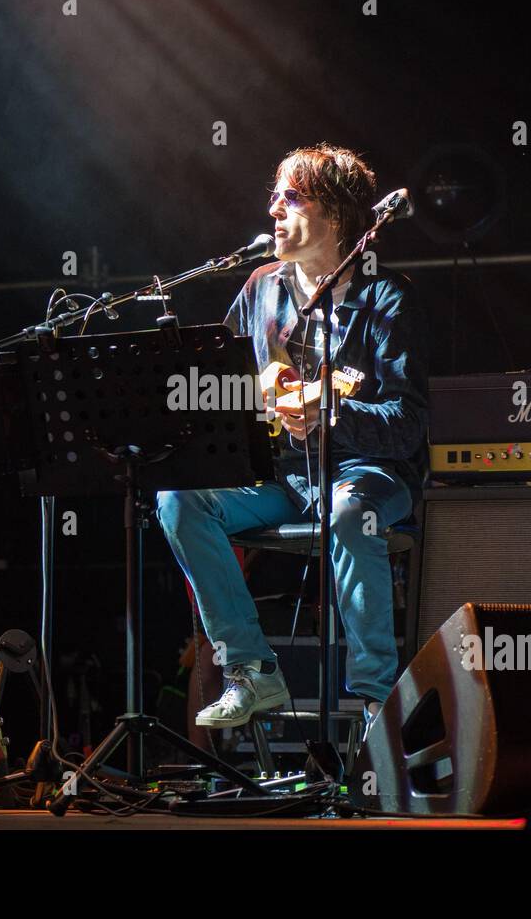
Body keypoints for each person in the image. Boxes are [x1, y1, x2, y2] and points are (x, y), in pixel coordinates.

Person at [156, 143, 429, 733]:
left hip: (366, 474)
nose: (274, 208)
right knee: (177, 496)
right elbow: (216, 388)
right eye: (273, 196)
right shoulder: (261, 289)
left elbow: (407, 426)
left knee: (349, 513)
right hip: (283, 476)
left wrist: (332, 417)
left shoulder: (386, 296)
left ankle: (380, 703)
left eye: (291, 196)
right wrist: (252, 397)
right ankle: (251, 670)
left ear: (333, 211)